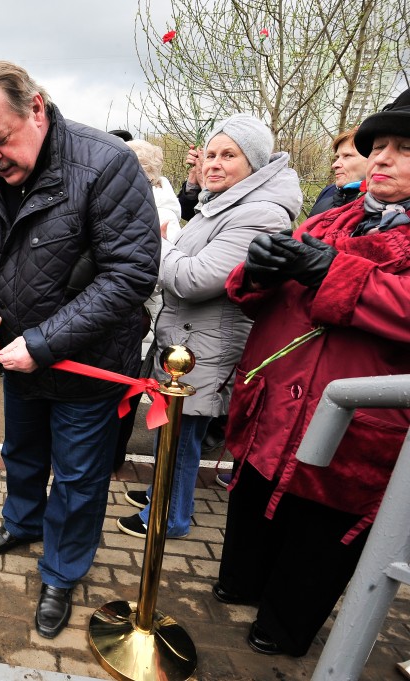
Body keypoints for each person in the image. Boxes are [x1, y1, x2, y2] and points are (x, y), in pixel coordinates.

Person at [0, 61, 159, 639]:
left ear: (36, 109)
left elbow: (128, 275)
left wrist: (41, 344)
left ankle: (62, 571)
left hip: (87, 367)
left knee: (77, 477)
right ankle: (21, 522)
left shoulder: (106, 166)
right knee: (21, 452)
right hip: (17, 360)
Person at [212, 88, 410, 658]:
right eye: (380, 146)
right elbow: (256, 298)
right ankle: (242, 584)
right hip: (278, 406)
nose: (382, 158)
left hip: (356, 428)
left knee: (318, 534)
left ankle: (283, 625)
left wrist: (334, 273)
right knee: (256, 503)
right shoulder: (329, 221)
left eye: (404, 149)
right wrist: (256, 272)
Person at [118, 114, 302, 539]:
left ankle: (172, 516)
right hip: (187, 340)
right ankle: (161, 494)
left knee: (185, 434)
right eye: (211, 154)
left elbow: (194, 278)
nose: (214, 164)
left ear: (254, 163)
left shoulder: (259, 214)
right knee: (174, 428)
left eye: (229, 155)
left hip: (207, 345)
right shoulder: (220, 204)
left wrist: (156, 244)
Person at [112, 139, 182, 471]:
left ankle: (112, 457)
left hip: (142, 315)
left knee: (126, 391)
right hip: (124, 311)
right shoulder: (127, 199)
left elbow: (161, 268)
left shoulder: (163, 212)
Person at [307, 127, 368, 218]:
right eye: (337, 157)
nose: (335, 165)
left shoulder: (385, 205)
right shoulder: (328, 192)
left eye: (347, 156)